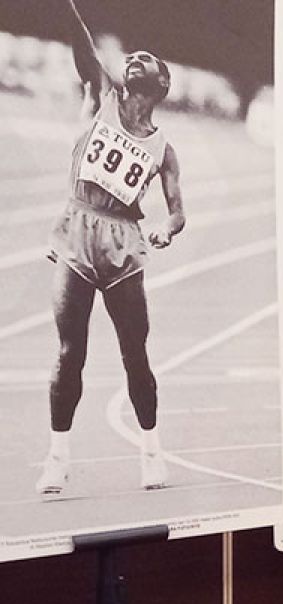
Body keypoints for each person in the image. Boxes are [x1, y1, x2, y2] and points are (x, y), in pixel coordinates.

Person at [36, 0, 186, 494]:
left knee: (134, 354)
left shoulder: (163, 147)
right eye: (132, 56)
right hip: (79, 229)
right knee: (68, 352)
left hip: (123, 244)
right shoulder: (103, 94)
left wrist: (167, 228)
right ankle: (57, 458)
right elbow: (83, 49)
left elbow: (177, 210)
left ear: (160, 84)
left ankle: (151, 453)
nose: (135, 57)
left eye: (146, 58)